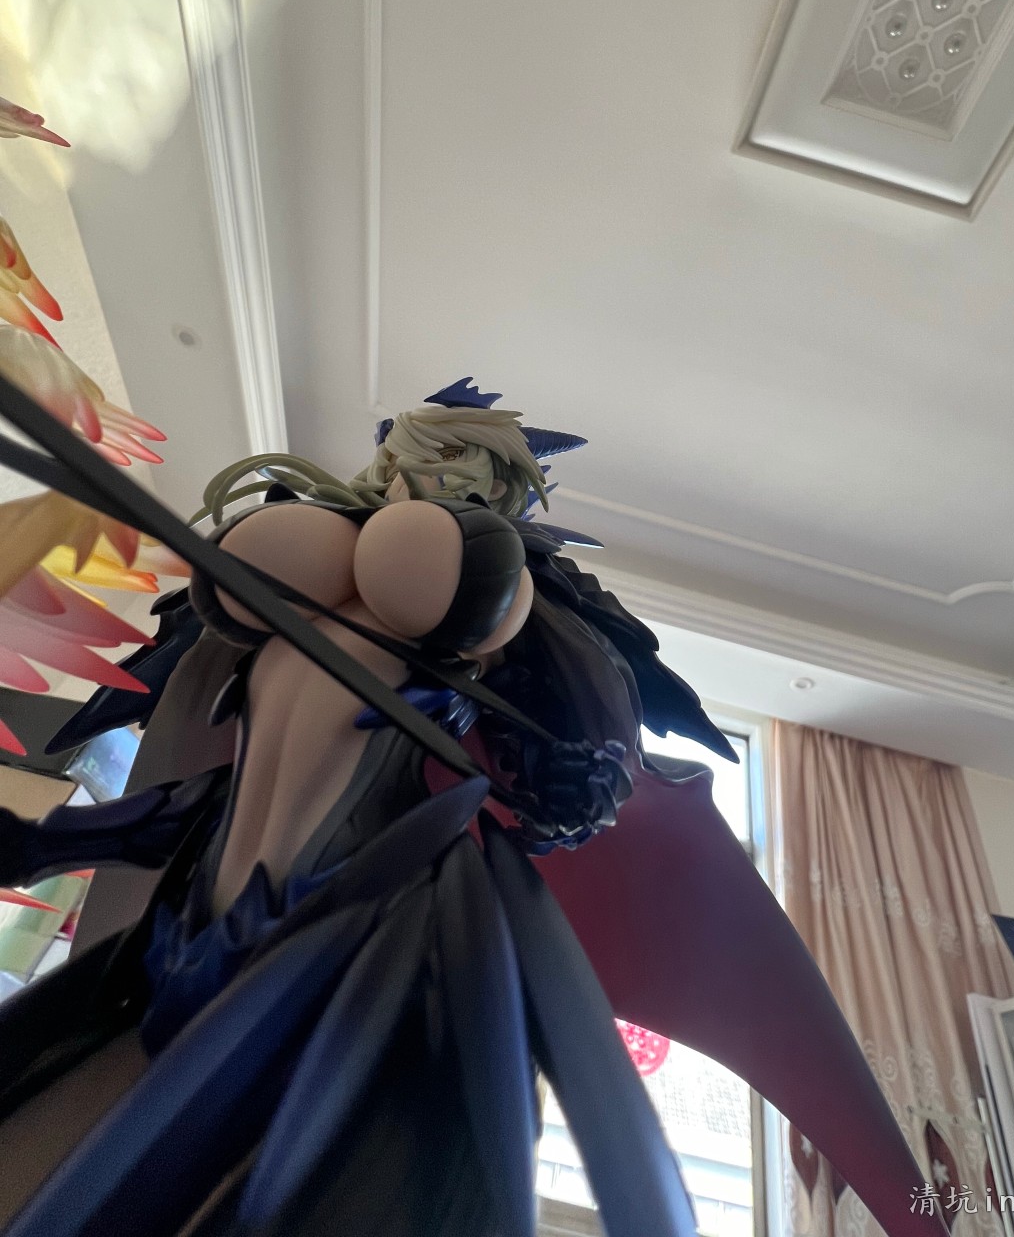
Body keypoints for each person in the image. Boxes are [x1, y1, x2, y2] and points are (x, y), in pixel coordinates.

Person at [0, 376, 946, 1237]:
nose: (431, 472)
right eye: (422, 450)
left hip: (359, 937)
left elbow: (581, 768)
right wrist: (45, 843)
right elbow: (200, 799)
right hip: (187, 937)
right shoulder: (301, 578)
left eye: (464, 463)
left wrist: (555, 746)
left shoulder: (507, 604)